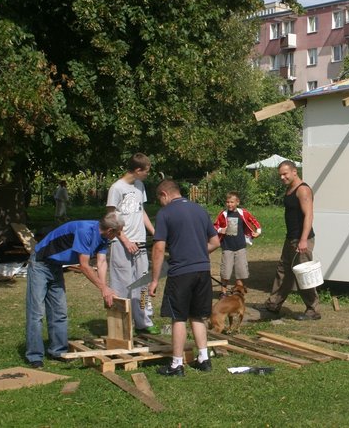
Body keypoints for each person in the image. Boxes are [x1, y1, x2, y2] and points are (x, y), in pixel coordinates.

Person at [25, 212, 124, 368]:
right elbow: (84, 265)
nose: (120, 235)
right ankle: (34, 356)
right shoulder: (85, 231)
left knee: (59, 311)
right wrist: (103, 288)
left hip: (56, 267)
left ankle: (57, 351)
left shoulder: (104, 237)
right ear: (111, 230)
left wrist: (104, 288)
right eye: (119, 232)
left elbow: (102, 261)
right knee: (36, 312)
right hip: (40, 264)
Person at [149, 179, 220, 376]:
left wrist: (154, 280)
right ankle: (204, 358)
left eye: (160, 199)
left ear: (164, 194)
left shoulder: (165, 213)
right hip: (203, 271)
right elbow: (215, 241)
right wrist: (198, 253)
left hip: (181, 272)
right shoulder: (200, 210)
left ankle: (177, 364)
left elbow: (159, 248)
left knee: (178, 316)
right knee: (197, 314)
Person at [262, 160, 321, 321]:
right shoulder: (290, 189)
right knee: (283, 272)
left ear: (294, 172)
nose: (282, 177)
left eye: (285, 174)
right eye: (280, 174)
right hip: (291, 238)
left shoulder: (303, 190)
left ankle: (313, 310)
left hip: (302, 240)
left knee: (304, 275)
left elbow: (309, 215)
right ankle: (273, 305)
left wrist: (303, 240)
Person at [106, 153, 158, 334]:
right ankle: (121, 324)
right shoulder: (116, 188)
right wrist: (124, 239)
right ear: (137, 170)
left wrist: (154, 233)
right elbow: (111, 217)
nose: (147, 174)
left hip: (140, 242)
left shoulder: (139, 186)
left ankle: (144, 321)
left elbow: (141, 212)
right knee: (121, 283)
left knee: (142, 284)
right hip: (121, 243)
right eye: (146, 171)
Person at [213, 191, 261, 294]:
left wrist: (258, 232)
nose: (229, 204)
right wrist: (221, 230)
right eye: (227, 202)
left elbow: (254, 220)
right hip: (227, 247)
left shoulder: (243, 213)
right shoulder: (223, 214)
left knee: (241, 271)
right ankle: (223, 292)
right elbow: (215, 225)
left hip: (240, 246)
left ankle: (239, 291)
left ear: (237, 202)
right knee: (226, 271)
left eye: (232, 202)